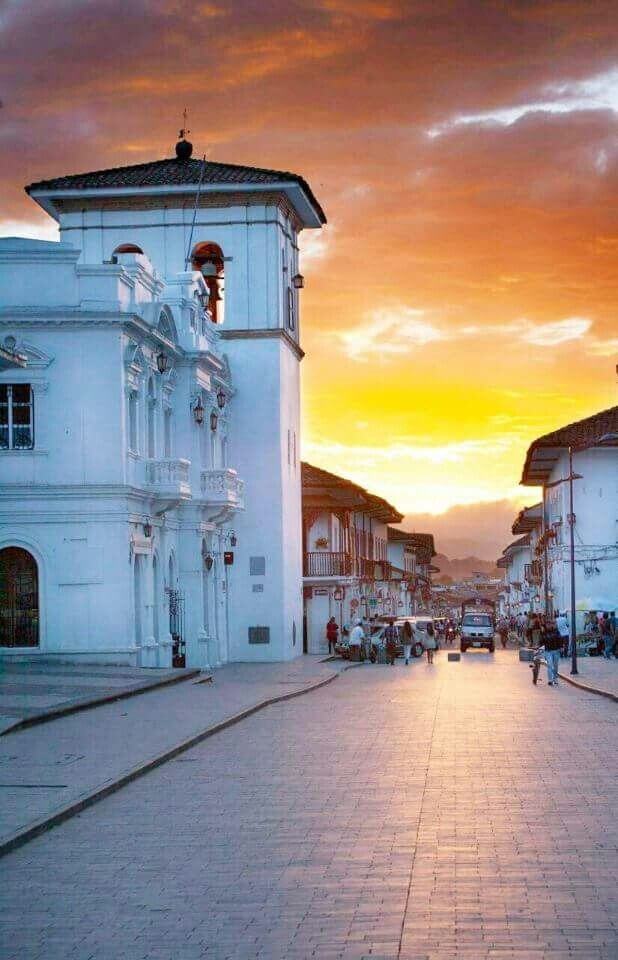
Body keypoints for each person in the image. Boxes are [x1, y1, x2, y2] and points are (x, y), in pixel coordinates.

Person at [543, 618, 563, 686]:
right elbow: (541, 641)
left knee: (555, 665)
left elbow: (560, 639)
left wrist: (561, 647)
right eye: (547, 624)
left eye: (550, 624)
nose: (548, 625)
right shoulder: (544, 632)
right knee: (550, 665)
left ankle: (555, 678)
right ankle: (550, 680)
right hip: (548, 651)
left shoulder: (556, 631)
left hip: (556, 650)